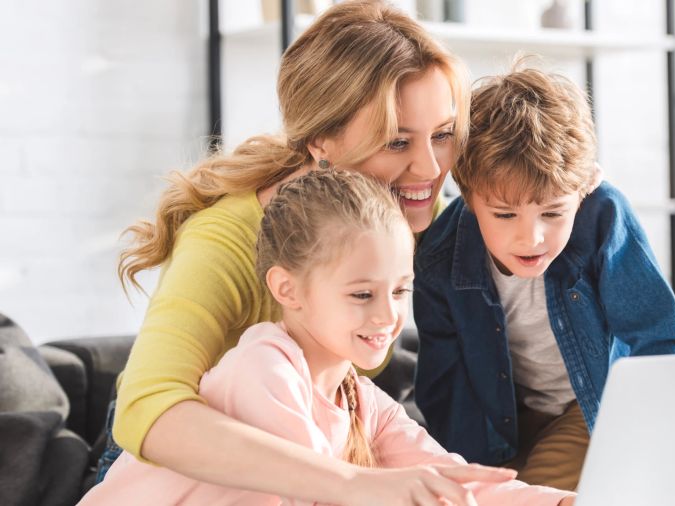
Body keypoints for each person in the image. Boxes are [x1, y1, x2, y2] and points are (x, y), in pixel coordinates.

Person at [105, 2, 511, 504]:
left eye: (443, 135)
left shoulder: (412, 210)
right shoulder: (225, 239)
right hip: (180, 470)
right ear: (321, 140)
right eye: (396, 142)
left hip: (326, 454)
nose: (429, 168)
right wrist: (352, 484)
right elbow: (148, 409)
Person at [81, 171, 576, 506]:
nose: (389, 315)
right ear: (286, 289)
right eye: (362, 294)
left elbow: (452, 480)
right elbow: (327, 493)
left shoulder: (361, 398)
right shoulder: (262, 367)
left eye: (400, 290)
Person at [413, 64, 675, 491]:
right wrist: (470, 479)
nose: (531, 237)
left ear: (584, 187)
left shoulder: (602, 215)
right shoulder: (440, 254)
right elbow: (445, 387)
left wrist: (657, 441)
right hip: (499, 422)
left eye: (552, 212)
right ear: (470, 196)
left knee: (541, 491)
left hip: (588, 409)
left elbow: (658, 340)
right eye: (505, 214)